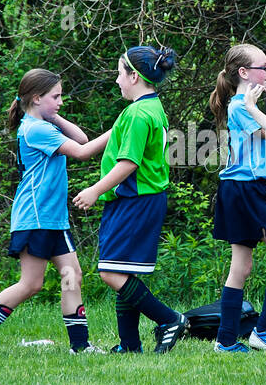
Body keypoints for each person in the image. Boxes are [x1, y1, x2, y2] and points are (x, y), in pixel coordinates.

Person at [0, 69, 110, 355]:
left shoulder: (43, 123)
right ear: (36, 98)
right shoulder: (35, 129)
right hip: (35, 218)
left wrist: (52, 113)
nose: (61, 101)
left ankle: (80, 345)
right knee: (31, 284)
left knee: (71, 276)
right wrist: (120, 127)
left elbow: (82, 137)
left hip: (53, 220)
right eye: (56, 96)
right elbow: (83, 151)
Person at [72, 47, 188, 354]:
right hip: (139, 200)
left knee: (111, 272)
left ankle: (169, 319)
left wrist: (95, 190)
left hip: (135, 200)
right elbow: (93, 147)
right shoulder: (148, 108)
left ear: (134, 76)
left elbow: (129, 164)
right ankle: (129, 344)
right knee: (123, 270)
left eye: (120, 73)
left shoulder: (138, 114)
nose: (116, 80)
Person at [208, 44, 266, 353]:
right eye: (263, 67)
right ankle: (264, 330)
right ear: (244, 73)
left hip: (246, 188)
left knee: (241, 267)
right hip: (244, 191)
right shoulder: (241, 107)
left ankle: (226, 341)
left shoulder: (246, 106)